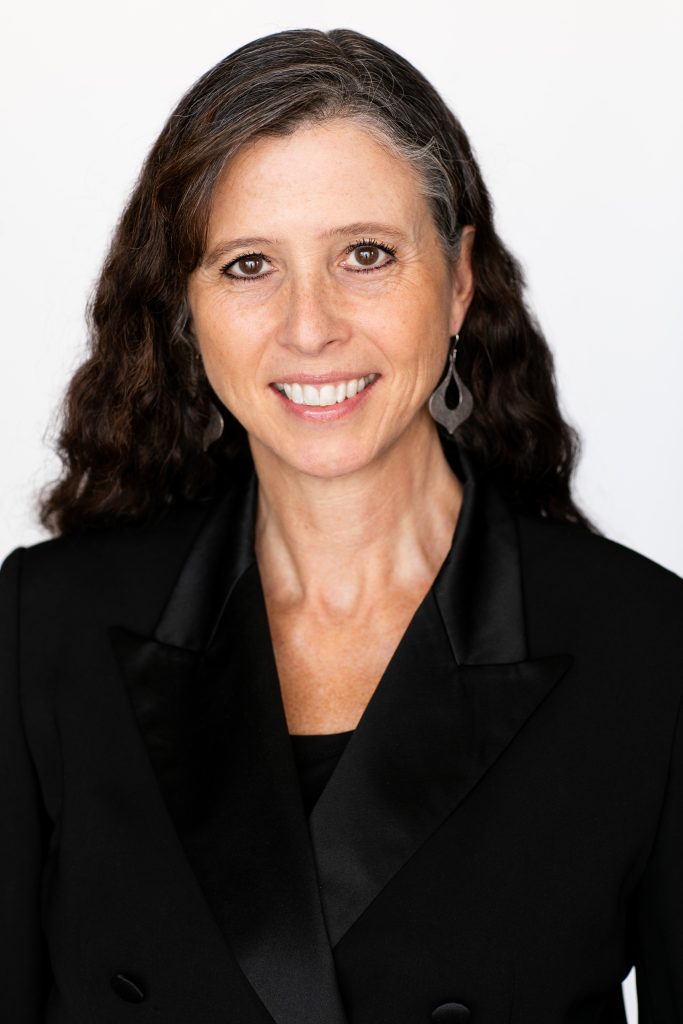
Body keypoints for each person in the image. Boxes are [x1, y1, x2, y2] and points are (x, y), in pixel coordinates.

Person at [1, 26, 681, 1024]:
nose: (308, 325)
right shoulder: (41, 632)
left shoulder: (645, 650)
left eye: (364, 255)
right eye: (247, 265)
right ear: (186, 307)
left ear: (456, 281)